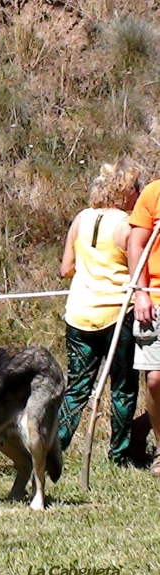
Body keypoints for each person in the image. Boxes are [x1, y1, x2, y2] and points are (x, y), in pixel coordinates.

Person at [58, 159, 140, 464]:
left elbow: (66, 268)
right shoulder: (127, 226)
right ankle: (120, 454)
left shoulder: (82, 218)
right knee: (123, 388)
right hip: (117, 315)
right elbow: (136, 277)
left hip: (79, 313)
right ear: (126, 191)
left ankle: (56, 448)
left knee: (77, 387)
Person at [128, 175, 160, 474]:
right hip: (156, 300)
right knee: (155, 380)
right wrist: (141, 292)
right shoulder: (153, 193)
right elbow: (136, 245)